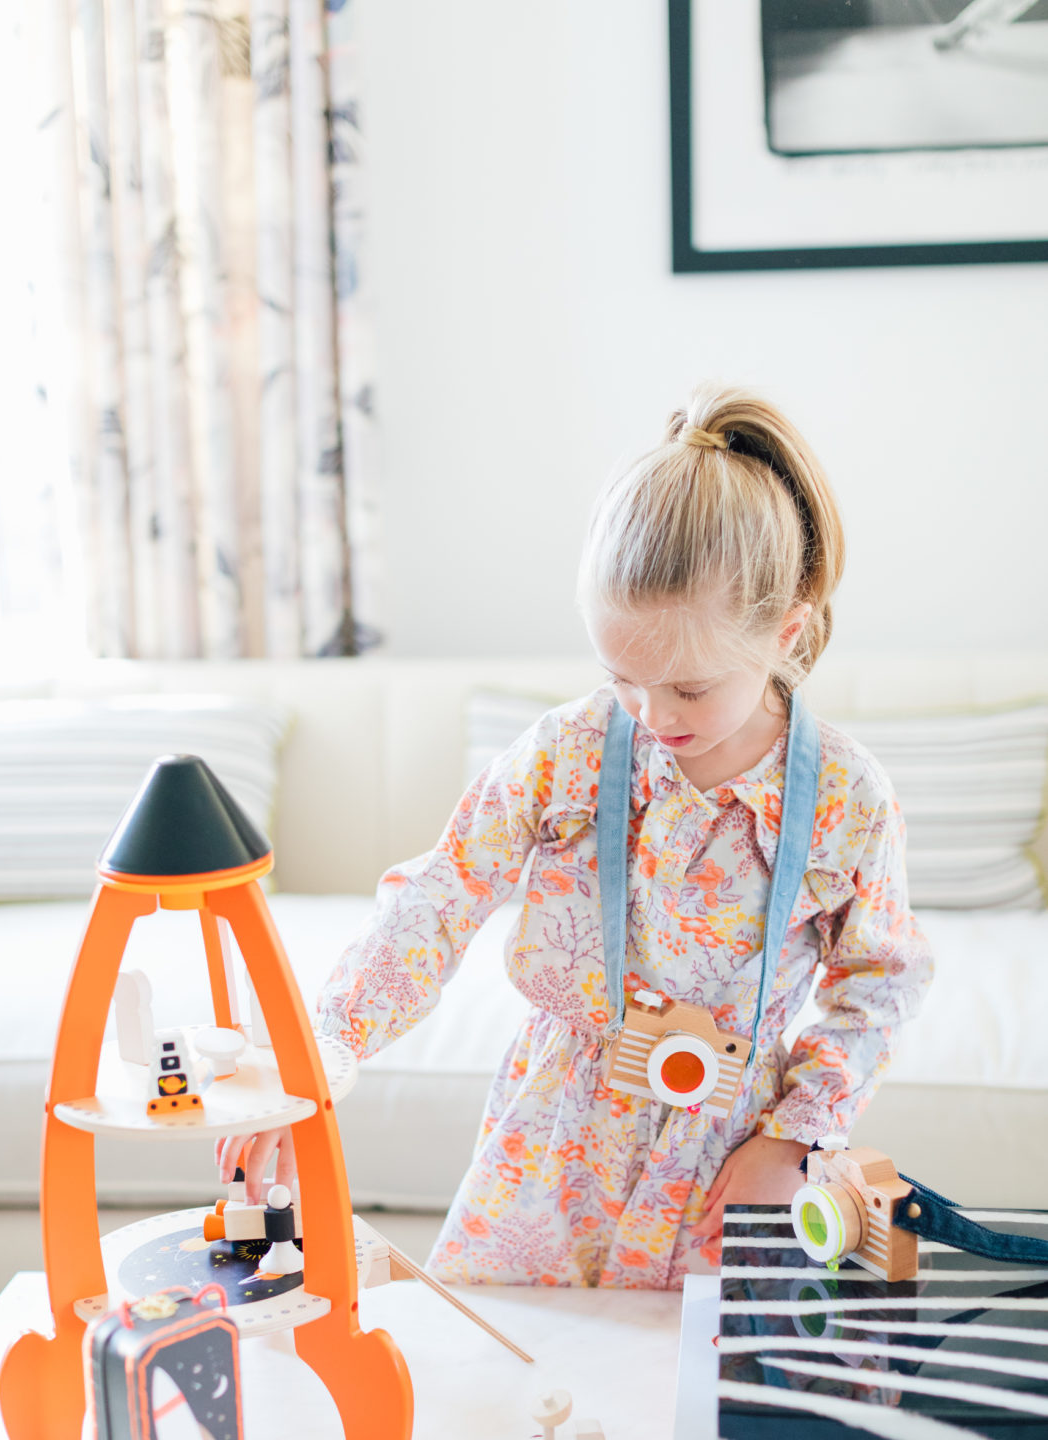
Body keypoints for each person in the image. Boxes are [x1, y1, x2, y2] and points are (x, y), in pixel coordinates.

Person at [217, 384, 932, 1288]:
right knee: (501, 1371)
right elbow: (442, 896)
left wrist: (793, 1138)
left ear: (784, 634)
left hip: (730, 1161)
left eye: (689, 687)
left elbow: (882, 980)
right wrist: (324, 1050)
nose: (650, 712)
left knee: (686, 1393)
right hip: (551, 1141)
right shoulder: (570, 751)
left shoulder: (845, 797)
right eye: (622, 676)